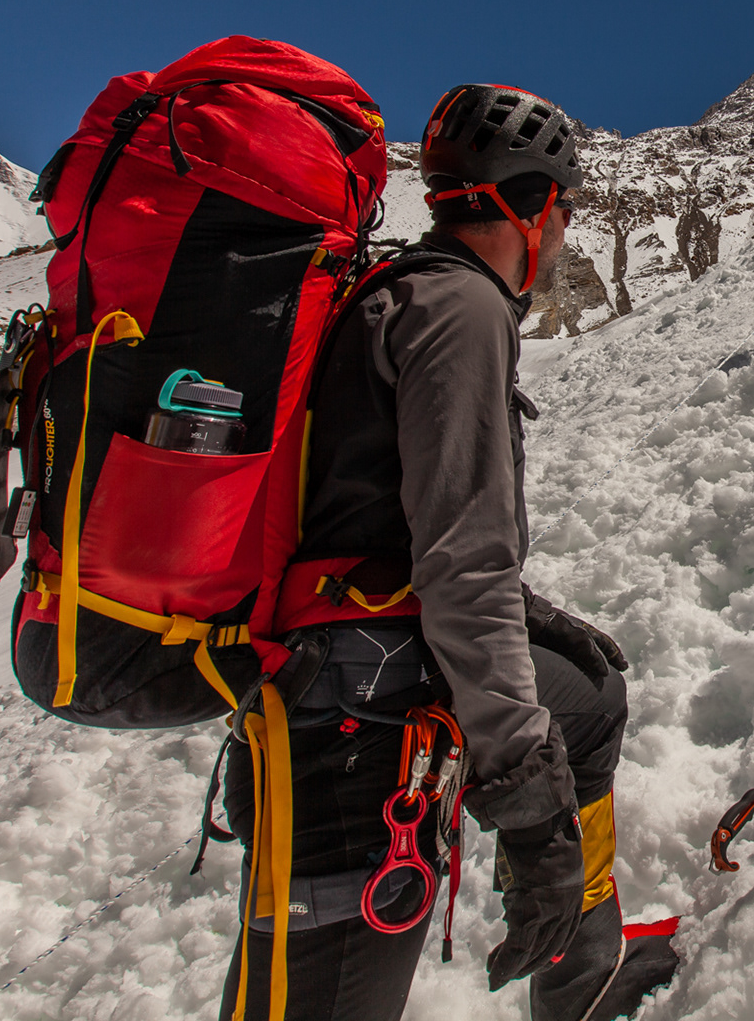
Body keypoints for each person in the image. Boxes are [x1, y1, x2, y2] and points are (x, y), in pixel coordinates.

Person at [221, 83, 677, 1021]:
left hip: (347, 660)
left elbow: (391, 522)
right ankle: (571, 949)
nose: (565, 237)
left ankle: (582, 969)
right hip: (352, 721)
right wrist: (529, 805)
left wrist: (523, 612)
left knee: (588, 701)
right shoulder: (463, 313)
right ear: (537, 203)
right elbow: (462, 568)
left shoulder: (395, 292)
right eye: (567, 212)